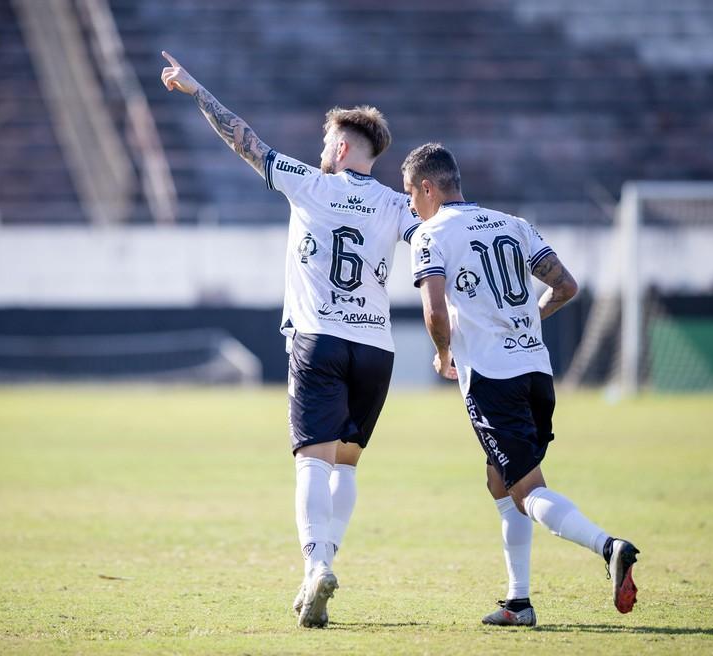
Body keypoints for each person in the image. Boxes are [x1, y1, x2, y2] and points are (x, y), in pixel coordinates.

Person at [161, 51, 420, 628]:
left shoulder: (310, 184)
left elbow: (244, 141)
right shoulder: (396, 205)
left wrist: (196, 89)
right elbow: (437, 240)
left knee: (312, 462)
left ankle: (314, 567)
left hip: (320, 339)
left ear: (343, 148)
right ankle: (324, 566)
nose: (322, 149)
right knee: (347, 467)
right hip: (376, 349)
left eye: (328, 141)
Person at [403, 143, 639, 627]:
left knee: (527, 489)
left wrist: (445, 355)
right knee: (499, 477)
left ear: (427, 188)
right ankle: (519, 602)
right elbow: (566, 286)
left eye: (410, 194)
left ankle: (609, 546)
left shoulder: (430, 234)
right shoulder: (514, 223)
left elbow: (434, 311)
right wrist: (526, 319)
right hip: (536, 371)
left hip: (493, 379)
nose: (410, 205)